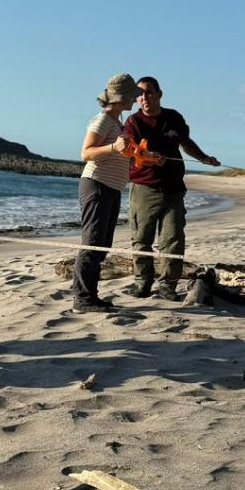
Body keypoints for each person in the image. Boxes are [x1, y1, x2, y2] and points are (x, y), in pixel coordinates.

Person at [123, 76, 220, 301]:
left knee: (173, 238)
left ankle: (168, 285)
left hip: (174, 189)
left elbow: (186, 142)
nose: (144, 98)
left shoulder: (174, 117)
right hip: (144, 188)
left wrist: (204, 158)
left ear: (159, 94)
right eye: (139, 94)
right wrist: (148, 156)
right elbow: (129, 147)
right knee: (141, 239)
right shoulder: (132, 122)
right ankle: (142, 283)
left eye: (148, 92)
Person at [71, 74, 142, 313]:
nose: (137, 98)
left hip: (111, 187)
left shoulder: (116, 122)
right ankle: (83, 299)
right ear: (123, 97)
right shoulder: (103, 120)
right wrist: (113, 146)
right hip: (97, 185)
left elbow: (119, 155)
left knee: (102, 244)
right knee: (92, 243)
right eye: (134, 94)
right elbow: (86, 153)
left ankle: (90, 296)